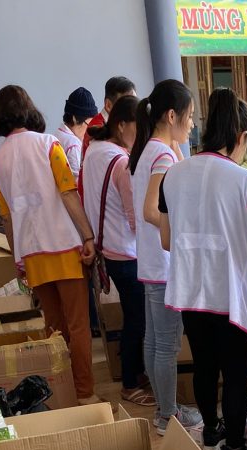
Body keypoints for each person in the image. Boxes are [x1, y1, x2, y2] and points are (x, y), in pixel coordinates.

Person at [160, 88, 247, 450]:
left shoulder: (173, 175)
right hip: (232, 294)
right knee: (236, 374)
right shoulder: (246, 182)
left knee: (205, 366)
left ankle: (211, 436)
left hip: (192, 290)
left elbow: (166, 240)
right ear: (242, 136)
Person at [0, 85, 98, 403]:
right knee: (78, 326)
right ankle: (84, 393)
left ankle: (60, 392)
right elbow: (68, 194)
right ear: (29, 109)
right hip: (64, 246)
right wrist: (88, 235)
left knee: (54, 327)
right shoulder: (49, 144)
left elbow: (7, 218)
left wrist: (17, 260)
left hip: (32, 254)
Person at [130, 80, 203, 437]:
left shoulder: (149, 149)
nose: (192, 124)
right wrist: (183, 229)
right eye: (189, 116)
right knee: (166, 345)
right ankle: (168, 415)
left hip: (150, 261)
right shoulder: (162, 155)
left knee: (154, 340)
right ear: (172, 116)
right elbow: (150, 210)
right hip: (164, 264)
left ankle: (164, 409)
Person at [83, 96, 153, 406]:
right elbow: (136, 219)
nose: (143, 136)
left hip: (108, 247)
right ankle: (130, 383)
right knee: (138, 320)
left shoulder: (94, 150)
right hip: (127, 252)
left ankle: (135, 372)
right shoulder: (122, 163)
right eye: (139, 128)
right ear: (122, 125)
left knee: (133, 316)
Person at [82, 76, 136, 160]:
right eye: (126, 104)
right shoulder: (97, 128)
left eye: (134, 102)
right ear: (108, 105)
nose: (133, 109)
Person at [56, 87, 98, 181]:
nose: (89, 130)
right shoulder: (73, 145)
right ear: (74, 118)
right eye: (89, 124)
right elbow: (77, 182)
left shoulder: (57, 134)